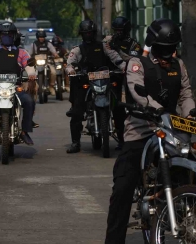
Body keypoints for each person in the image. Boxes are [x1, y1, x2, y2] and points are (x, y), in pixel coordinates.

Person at [105, 18, 196, 243]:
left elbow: (186, 94)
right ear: (153, 45)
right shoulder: (137, 64)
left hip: (171, 129)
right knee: (123, 187)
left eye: (172, 48)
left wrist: (190, 114)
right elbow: (138, 93)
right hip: (141, 131)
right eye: (165, 49)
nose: (168, 54)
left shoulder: (179, 65)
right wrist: (157, 109)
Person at [65, 20, 126, 153]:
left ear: (94, 33)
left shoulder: (104, 46)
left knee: (119, 109)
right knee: (76, 112)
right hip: (86, 83)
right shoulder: (77, 49)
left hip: (105, 82)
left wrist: (124, 67)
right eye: (85, 33)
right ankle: (75, 143)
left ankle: (122, 141)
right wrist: (71, 70)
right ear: (81, 34)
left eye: (90, 33)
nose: (88, 35)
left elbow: (116, 58)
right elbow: (70, 63)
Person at [0, 22, 37, 145]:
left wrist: (31, 73)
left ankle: (25, 131)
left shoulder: (22, 53)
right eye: (4, 35)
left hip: (15, 87)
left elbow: (28, 66)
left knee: (29, 101)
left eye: (10, 35)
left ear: (14, 36)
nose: (6, 37)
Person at [104, 16, 143, 151]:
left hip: (128, 78)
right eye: (116, 30)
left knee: (131, 108)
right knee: (116, 109)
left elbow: (135, 60)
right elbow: (106, 54)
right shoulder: (108, 41)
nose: (118, 33)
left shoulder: (134, 44)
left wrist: (119, 51)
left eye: (121, 30)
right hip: (111, 77)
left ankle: (130, 138)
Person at [31, 30, 59, 95]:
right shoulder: (34, 44)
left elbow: (53, 51)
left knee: (54, 72)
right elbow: (30, 54)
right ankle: (32, 88)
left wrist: (55, 54)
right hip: (36, 63)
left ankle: (51, 86)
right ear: (37, 37)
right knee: (30, 73)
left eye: (43, 37)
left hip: (47, 62)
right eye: (40, 37)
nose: (41, 38)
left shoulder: (48, 44)